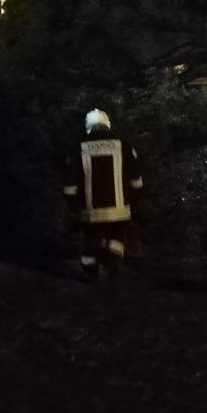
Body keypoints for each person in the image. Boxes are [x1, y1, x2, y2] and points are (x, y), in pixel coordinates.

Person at [62, 109, 143, 283]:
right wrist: (136, 199)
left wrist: (71, 204)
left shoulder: (79, 147)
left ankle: (90, 273)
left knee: (91, 239)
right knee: (117, 238)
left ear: (88, 126)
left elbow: (70, 182)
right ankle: (112, 263)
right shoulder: (123, 144)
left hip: (90, 210)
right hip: (119, 210)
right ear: (107, 124)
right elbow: (136, 178)